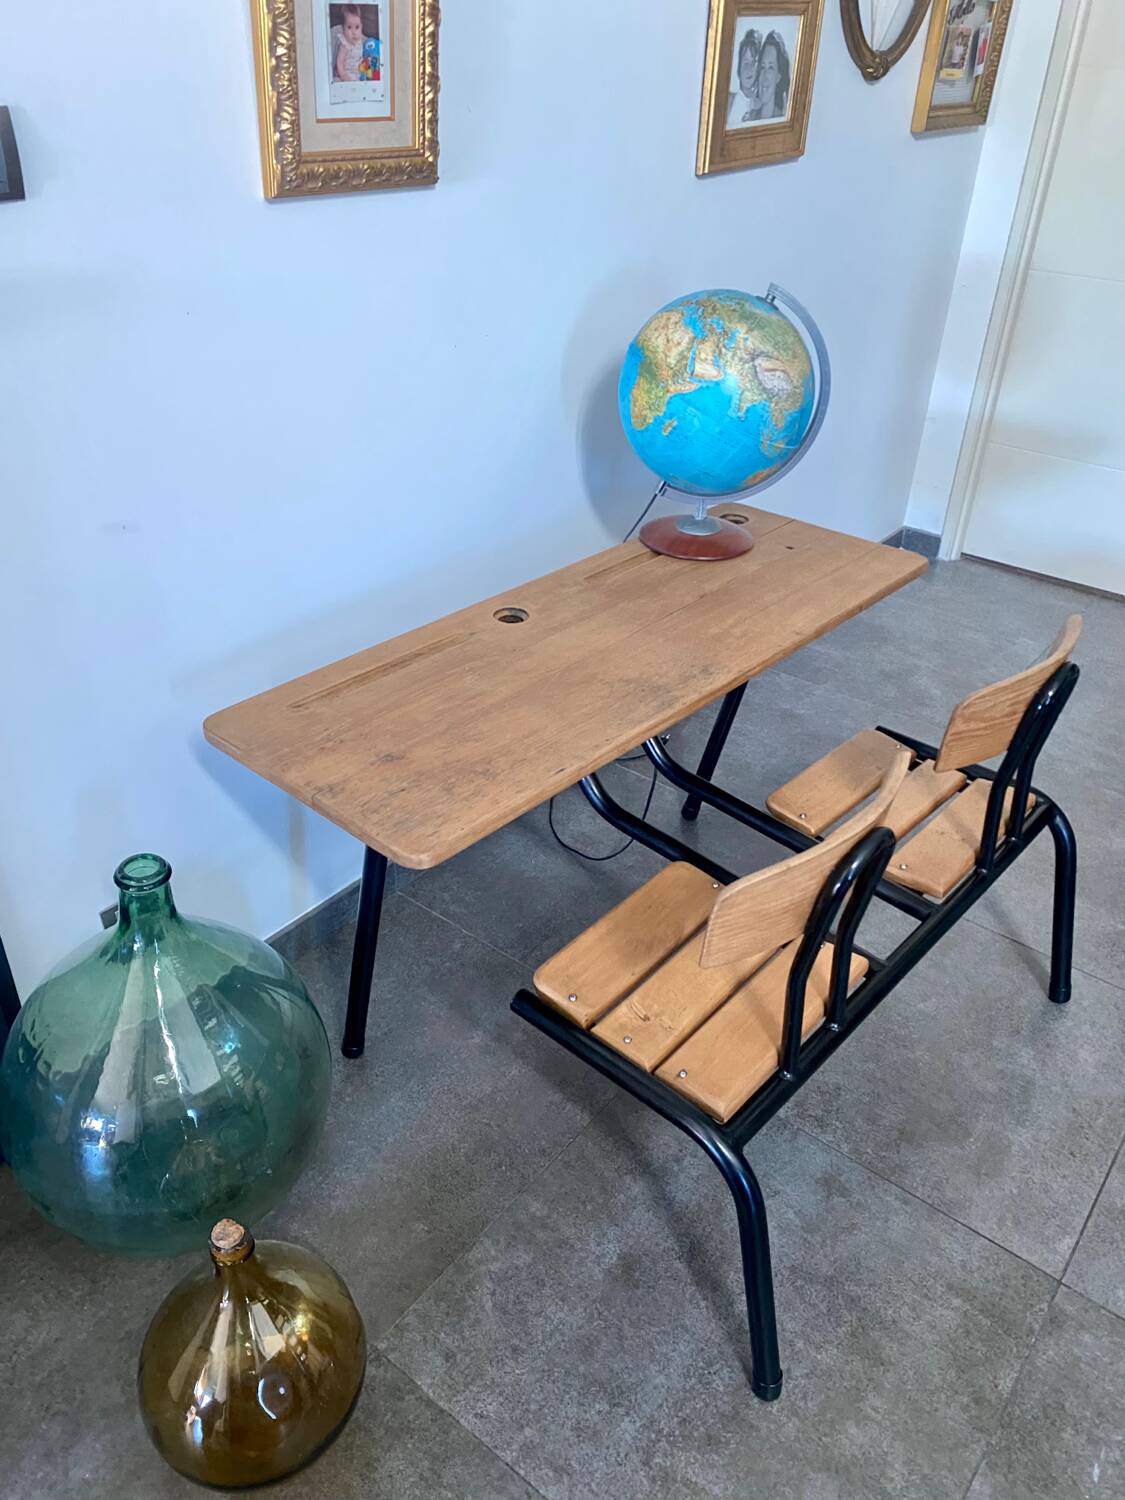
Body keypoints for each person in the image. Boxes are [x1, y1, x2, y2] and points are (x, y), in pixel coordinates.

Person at [752, 31, 791, 122]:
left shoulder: (783, 121)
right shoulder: (748, 119)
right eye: (762, 67)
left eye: (771, 68)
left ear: (778, 76)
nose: (765, 75)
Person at [727, 29, 762, 128]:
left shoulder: (761, 105)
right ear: (739, 68)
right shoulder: (729, 100)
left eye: (753, 62)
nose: (748, 68)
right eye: (745, 62)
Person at [334, 4, 366, 83]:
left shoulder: (361, 40)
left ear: (361, 27)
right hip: (347, 75)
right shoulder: (345, 44)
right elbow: (340, 62)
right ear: (343, 28)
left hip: (360, 74)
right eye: (349, 27)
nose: (354, 32)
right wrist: (344, 75)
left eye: (357, 27)